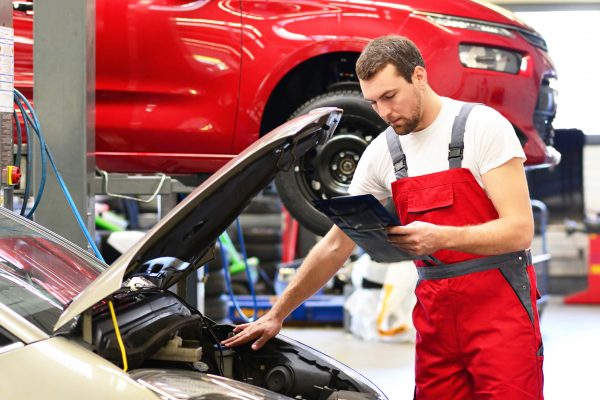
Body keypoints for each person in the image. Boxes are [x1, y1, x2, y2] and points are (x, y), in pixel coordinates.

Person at [222, 35, 544, 399]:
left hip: (500, 311)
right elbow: (334, 245)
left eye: (390, 96)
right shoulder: (382, 153)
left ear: (418, 76)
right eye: (374, 102)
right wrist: (276, 315)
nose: (385, 112)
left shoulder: (481, 127)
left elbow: (519, 230)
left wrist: (441, 237)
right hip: (436, 317)